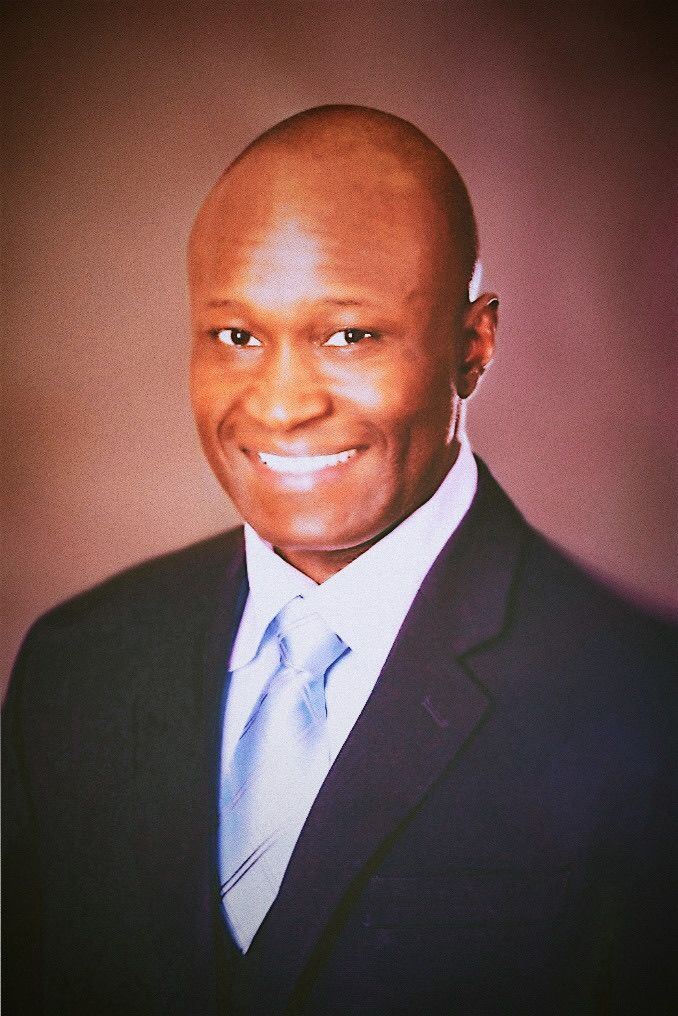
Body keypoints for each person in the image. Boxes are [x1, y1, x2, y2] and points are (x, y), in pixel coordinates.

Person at [2, 105, 675, 1016]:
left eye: (349, 335)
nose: (280, 406)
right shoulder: (75, 665)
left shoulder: (641, 715)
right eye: (236, 336)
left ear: (473, 346)